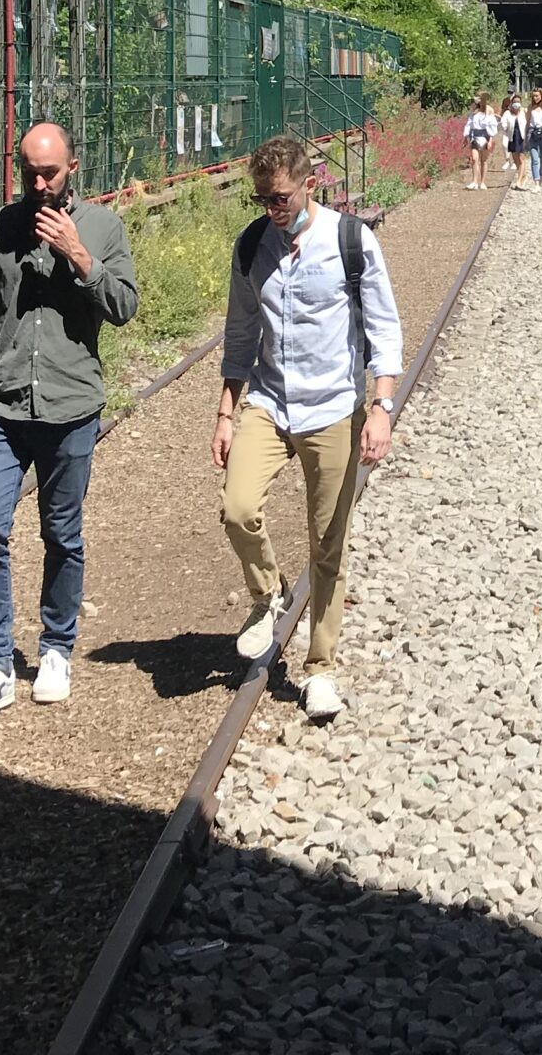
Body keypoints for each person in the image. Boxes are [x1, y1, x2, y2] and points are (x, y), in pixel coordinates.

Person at [0, 121, 138, 722]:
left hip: (71, 404)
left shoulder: (103, 226)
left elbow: (124, 307)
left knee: (62, 535)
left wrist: (78, 254)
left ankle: (55, 649)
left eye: (49, 171)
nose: (38, 182)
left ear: (72, 167)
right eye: (28, 171)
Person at [212, 135, 403, 723]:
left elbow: (385, 328)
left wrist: (380, 408)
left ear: (309, 184)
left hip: (332, 407)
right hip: (270, 402)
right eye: (263, 199)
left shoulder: (349, 240)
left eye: (280, 198)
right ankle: (268, 594)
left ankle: (321, 668)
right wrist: (225, 412)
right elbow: (241, 336)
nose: (272, 209)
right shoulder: (251, 247)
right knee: (237, 508)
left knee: (328, 543)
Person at [463, 94, 499, 189]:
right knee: (474, 159)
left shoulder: (489, 110)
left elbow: (492, 125)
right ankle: (474, 181)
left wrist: (490, 139)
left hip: (485, 137)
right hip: (474, 136)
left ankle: (482, 182)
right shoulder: (473, 112)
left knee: (484, 160)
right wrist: (466, 136)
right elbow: (469, 124)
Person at [499, 94, 532, 191]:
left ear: (521, 103)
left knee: (521, 158)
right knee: (516, 159)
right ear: (511, 103)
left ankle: (519, 180)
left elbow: (530, 122)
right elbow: (503, 124)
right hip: (512, 138)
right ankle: (524, 176)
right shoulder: (507, 114)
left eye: (518, 102)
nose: (516, 104)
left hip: (522, 138)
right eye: (514, 102)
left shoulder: (524, 112)